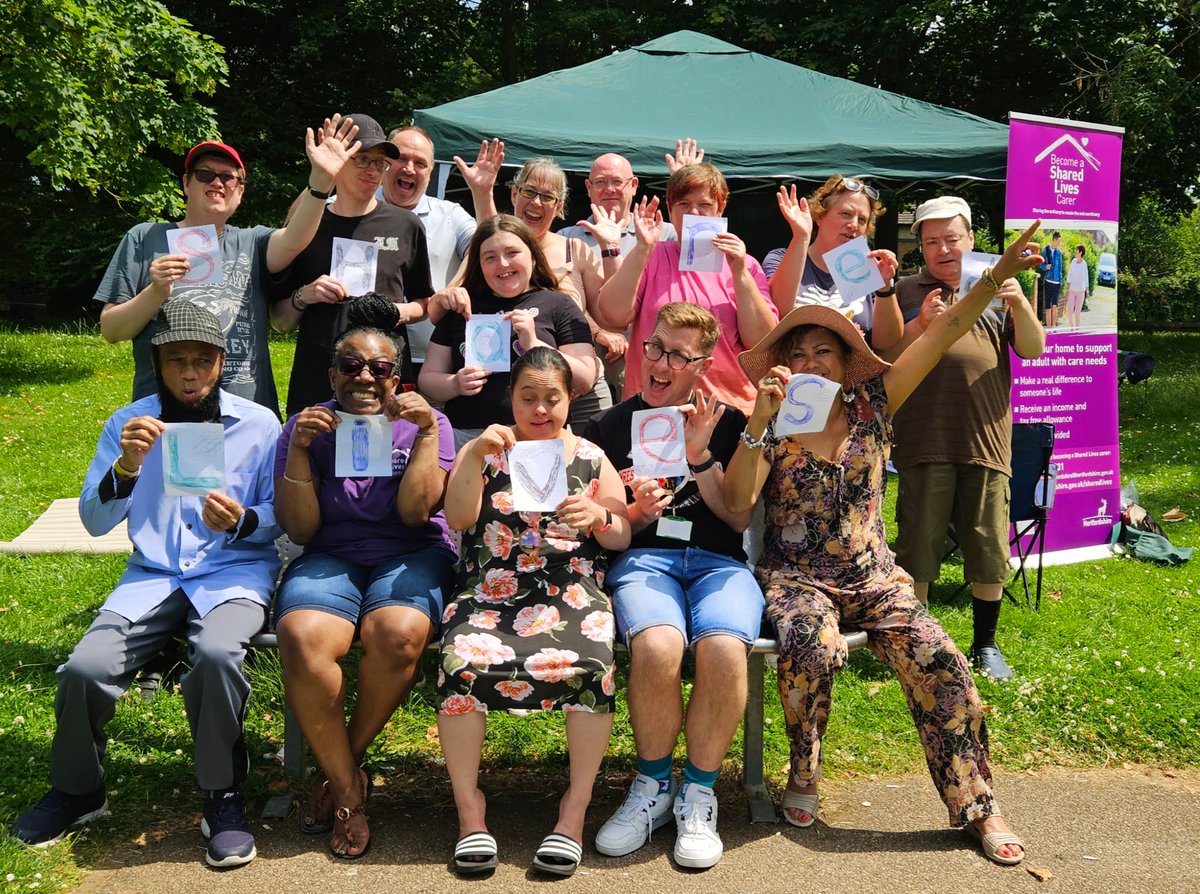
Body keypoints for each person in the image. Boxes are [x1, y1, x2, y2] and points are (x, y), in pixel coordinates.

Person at [722, 219, 1043, 866]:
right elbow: (736, 505)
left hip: (874, 578)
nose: (811, 365)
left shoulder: (876, 404)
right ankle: (804, 769)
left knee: (943, 662)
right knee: (812, 645)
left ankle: (976, 804)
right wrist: (760, 422)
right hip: (797, 578)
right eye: (799, 354)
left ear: (846, 362)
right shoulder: (773, 418)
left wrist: (996, 279)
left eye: (824, 353)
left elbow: (946, 329)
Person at [10, 302, 281, 867]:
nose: (189, 374)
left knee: (215, 653)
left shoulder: (258, 425)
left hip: (231, 572)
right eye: (176, 360)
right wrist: (127, 467)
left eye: (201, 361)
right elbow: (93, 520)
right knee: (86, 667)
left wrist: (244, 520)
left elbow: (287, 513)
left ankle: (222, 794)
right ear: (157, 362)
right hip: (153, 575)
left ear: (220, 362)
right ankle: (79, 790)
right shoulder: (127, 424)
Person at [435, 347, 630, 877]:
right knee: (459, 664)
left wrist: (598, 515)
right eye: (528, 397)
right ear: (511, 397)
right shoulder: (489, 447)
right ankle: (469, 809)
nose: (540, 409)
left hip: (570, 591)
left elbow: (620, 532)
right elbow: (456, 518)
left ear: (571, 399)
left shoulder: (590, 454)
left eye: (552, 398)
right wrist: (473, 455)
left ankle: (574, 811)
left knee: (592, 663)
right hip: (491, 589)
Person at [583, 303, 761, 870]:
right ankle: (653, 786)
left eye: (677, 355)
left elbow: (736, 518)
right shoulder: (609, 429)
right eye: (654, 347)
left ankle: (699, 792)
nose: (659, 362)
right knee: (656, 646)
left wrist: (700, 455)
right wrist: (634, 512)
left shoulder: (732, 422)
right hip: (647, 559)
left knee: (724, 648)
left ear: (702, 364)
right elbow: (603, 526)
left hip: (718, 561)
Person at [273, 326, 455, 858]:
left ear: (396, 377)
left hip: (413, 548)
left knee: (398, 632)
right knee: (302, 637)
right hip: (331, 551)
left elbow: (415, 513)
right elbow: (301, 530)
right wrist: (302, 450)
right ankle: (351, 787)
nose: (365, 377)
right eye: (351, 366)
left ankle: (340, 772)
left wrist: (423, 435)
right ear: (332, 376)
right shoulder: (306, 426)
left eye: (379, 368)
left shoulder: (429, 422)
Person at [883, 197, 1047, 681]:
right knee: (919, 546)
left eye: (951, 239)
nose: (942, 249)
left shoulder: (1003, 285)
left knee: (988, 544)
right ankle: (918, 646)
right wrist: (920, 324)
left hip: (986, 435)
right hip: (923, 433)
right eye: (930, 241)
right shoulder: (908, 289)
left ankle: (986, 645)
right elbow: (885, 353)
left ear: (970, 238)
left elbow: (1033, 349)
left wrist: (1018, 301)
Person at [94, 118, 359, 413]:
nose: (217, 183)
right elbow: (112, 330)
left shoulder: (253, 241)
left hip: (244, 413)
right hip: (162, 409)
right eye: (205, 175)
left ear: (241, 191)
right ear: (186, 183)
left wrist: (322, 180)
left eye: (228, 177)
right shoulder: (145, 237)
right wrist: (155, 291)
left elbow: (295, 239)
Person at [271, 113, 434, 417]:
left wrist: (399, 311)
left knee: (387, 464)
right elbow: (279, 321)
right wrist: (305, 295)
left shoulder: (405, 225)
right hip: (319, 382)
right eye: (362, 159)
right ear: (338, 161)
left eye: (380, 162)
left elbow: (425, 303)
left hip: (383, 382)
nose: (373, 170)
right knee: (310, 462)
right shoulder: (308, 225)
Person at [452, 145, 620, 425]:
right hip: (517, 391)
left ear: (559, 206)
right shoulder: (489, 253)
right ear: (515, 193)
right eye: (530, 191)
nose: (537, 202)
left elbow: (611, 316)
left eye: (548, 197)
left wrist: (611, 248)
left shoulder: (575, 250)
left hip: (582, 387)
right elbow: (448, 300)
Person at [594, 162, 778, 414]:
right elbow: (613, 317)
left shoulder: (745, 264)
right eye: (683, 205)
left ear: (720, 208)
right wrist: (642, 249)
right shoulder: (651, 256)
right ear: (670, 209)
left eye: (704, 205)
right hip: (654, 408)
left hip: (727, 409)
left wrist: (739, 272)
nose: (694, 213)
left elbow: (762, 342)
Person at [419, 215, 599, 448]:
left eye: (512, 253)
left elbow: (585, 379)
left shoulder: (559, 305)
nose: (502, 264)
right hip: (468, 437)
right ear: (479, 265)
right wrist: (454, 384)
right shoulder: (463, 307)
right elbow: (428, 378)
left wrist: (535, 344)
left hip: (539, 438)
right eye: (490, 258)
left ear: (533, 256)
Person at [379, 125, 477, 377]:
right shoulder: (349, 207)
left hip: (432, 362)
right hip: (365, 359)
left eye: (420, 163)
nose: (409, 168)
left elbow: (485, 247)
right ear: (384, 162)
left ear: (430, 173)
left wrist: (450, 290)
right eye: (401, 158)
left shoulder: (450, 214)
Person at [762, 177, 903, 349]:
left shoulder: (867, 270)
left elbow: (886, 343)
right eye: (846, 214)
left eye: (862, 220)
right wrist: (801, 237)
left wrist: (885, 287)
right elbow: (777, 315)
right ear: (819, 217)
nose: (853, 225)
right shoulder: (780, 258)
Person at [1039, 231, 1063, 328]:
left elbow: (1060, 267)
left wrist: (1060, 281)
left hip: (1057, 282)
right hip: (1048, 281)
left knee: (1055, 305)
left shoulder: (1059, 252)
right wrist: (1045, 266)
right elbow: (1041, 264)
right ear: (1054, 240)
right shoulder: (1046, 250)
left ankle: (1053, 326)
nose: (1059, 243)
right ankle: (1049, 327)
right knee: (1048, 306)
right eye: (1058, 241)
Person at [1066, 243, 1089, 329]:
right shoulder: (1073, 261)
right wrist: (1067, 288)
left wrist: (1087, 291)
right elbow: (1070, 275)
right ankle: (1072, 325)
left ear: (1081, 252)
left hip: (1080, 291)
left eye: (1077, 250)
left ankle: (1077, 329)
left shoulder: (1084, 264)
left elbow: (1086, 278)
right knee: (1070, 311)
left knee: (1077, 312)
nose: (1075, 251)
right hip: (1072, 290)